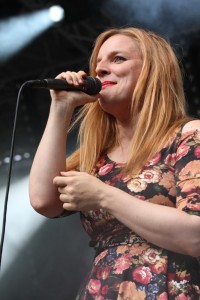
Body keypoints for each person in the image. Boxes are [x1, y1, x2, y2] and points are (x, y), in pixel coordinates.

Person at [29, 27, 200, 299]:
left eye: (117, 59)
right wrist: (61, 107)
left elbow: (196, 236)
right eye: (98, 64)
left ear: (152, 71)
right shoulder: (97, 157)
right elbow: (43, 200)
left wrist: (103, 195)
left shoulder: (188, 135)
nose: (101, 70)